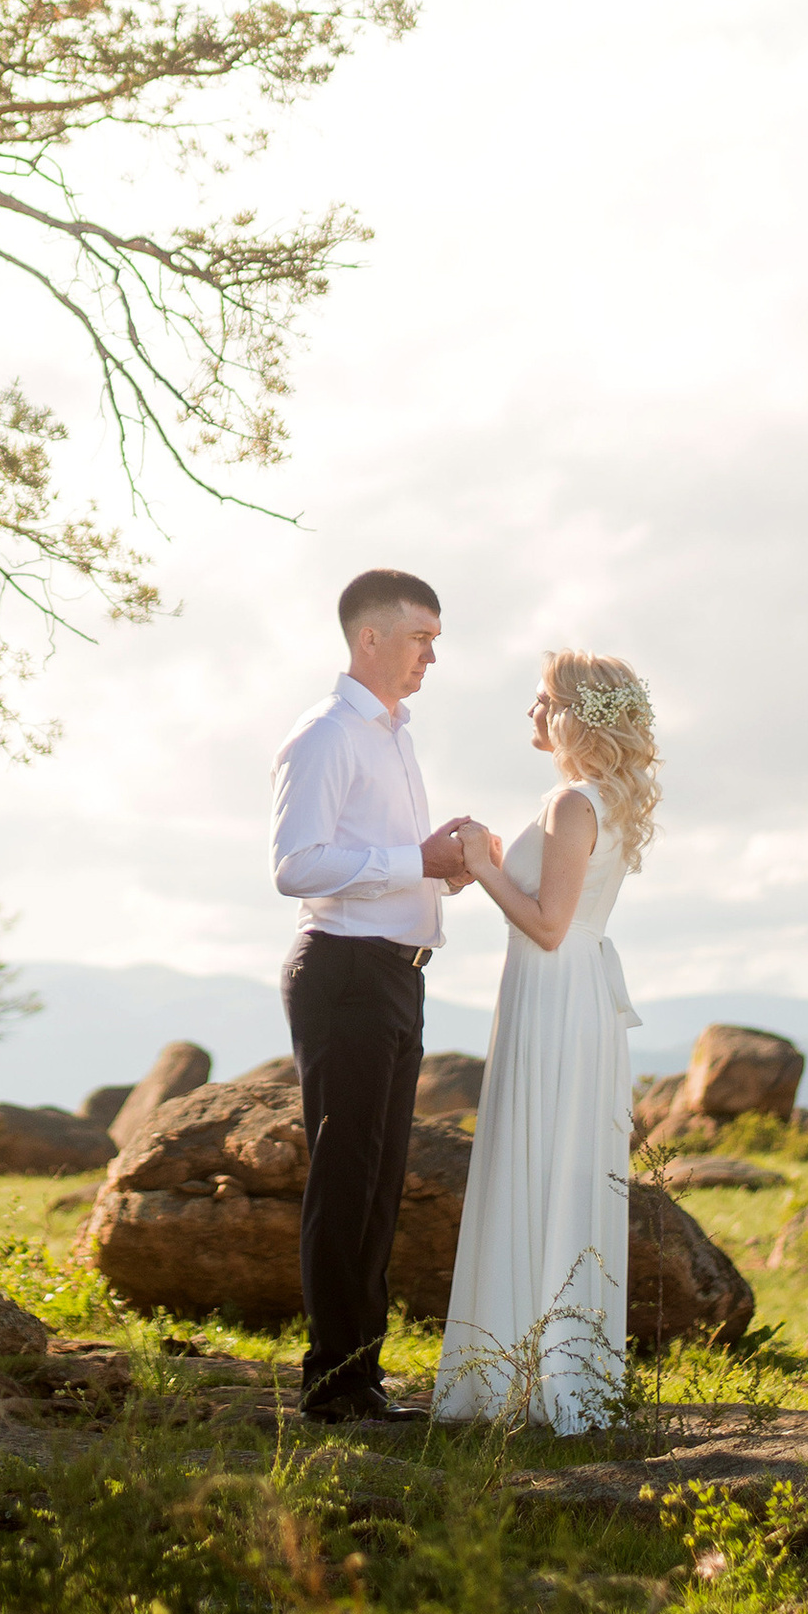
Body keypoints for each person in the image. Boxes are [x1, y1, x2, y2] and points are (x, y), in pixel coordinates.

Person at [272, 569, 495, 1421]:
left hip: (397, 974)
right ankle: (333, 1385)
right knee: (347, 1180)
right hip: (345, 973)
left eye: (435, 640)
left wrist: (441, 871)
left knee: (378, 1182)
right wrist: (416, 861)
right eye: (419, 638)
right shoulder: (326, 734)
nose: (431, 655)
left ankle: (358, 1377)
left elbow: (382, 859)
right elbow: (297, 865)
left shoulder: (395, 736)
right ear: (370, 637)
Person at [431, 649, 659, 1433]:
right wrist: (499, 863)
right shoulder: (604, 798)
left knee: (536, 1158)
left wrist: (478, 863)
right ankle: (557, 1372)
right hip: (574, 993)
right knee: (557, 1165)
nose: (530, 711)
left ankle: (525, 1380)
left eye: (540, 699)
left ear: (570, 714)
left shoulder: (571, 802)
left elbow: (548, 924)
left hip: (554, 992)